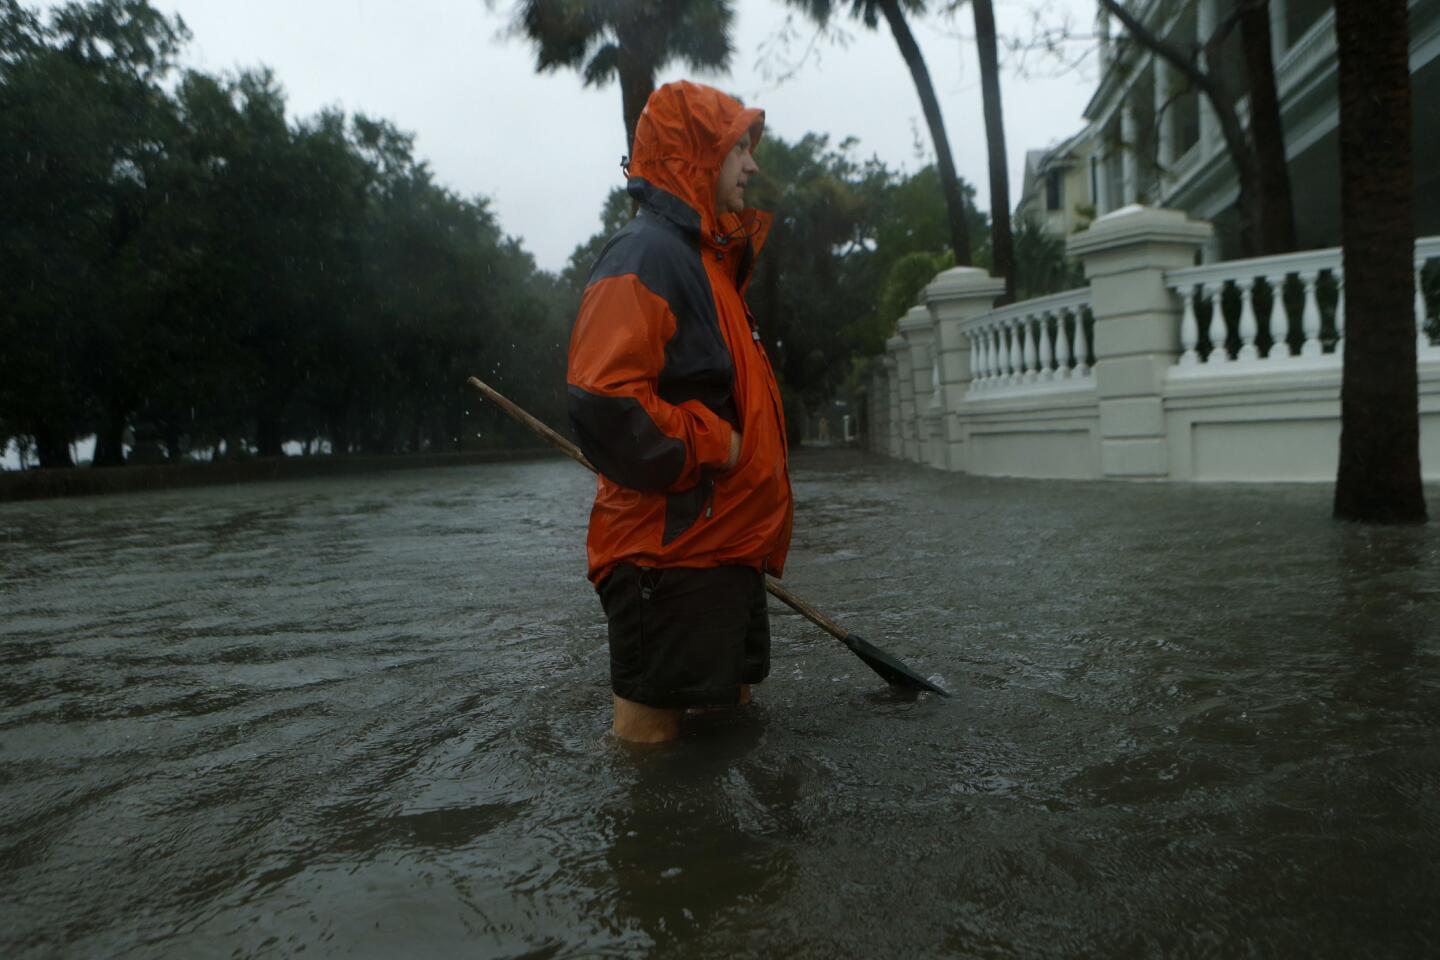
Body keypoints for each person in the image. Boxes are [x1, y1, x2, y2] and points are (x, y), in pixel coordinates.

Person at [566, 80, 793, 744]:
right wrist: (711, 446)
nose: (752, 164)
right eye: (737, 149)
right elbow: (604, 399)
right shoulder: (648, 255)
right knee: (650, 752)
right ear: (698, 154)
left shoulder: (709, 265)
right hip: (667, 560)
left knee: (729, 740)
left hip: (724, 552)